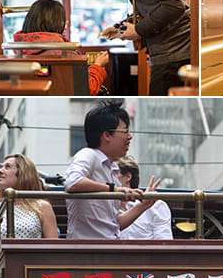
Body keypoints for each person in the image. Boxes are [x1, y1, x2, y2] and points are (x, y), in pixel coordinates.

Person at [64, 101, 162, 238]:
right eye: (125, 131)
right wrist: (114, 189)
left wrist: (143, 206)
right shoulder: (88, 154)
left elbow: (114, 224)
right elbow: (73, 182)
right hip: (86, 251)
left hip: (108, 248)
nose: (130, 137)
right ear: (107, 135)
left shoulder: (112, 169)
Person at [11, 0, 107, 95]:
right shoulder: (66, 54)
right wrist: (98, 65)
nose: (65, 27)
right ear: (59, 23)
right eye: (64, 22)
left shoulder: (18, 52)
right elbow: (87, 89)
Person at [0, 154, 59, 239]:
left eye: (8, 167)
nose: (0, 171)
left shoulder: (42, 207)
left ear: (22, 173)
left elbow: (52, 246)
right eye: (2, 167)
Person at [115, 157, 171, 240]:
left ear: (128, 177)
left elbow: (164, 243)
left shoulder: (156, 206)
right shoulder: (103, 207)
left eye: (113, 173)